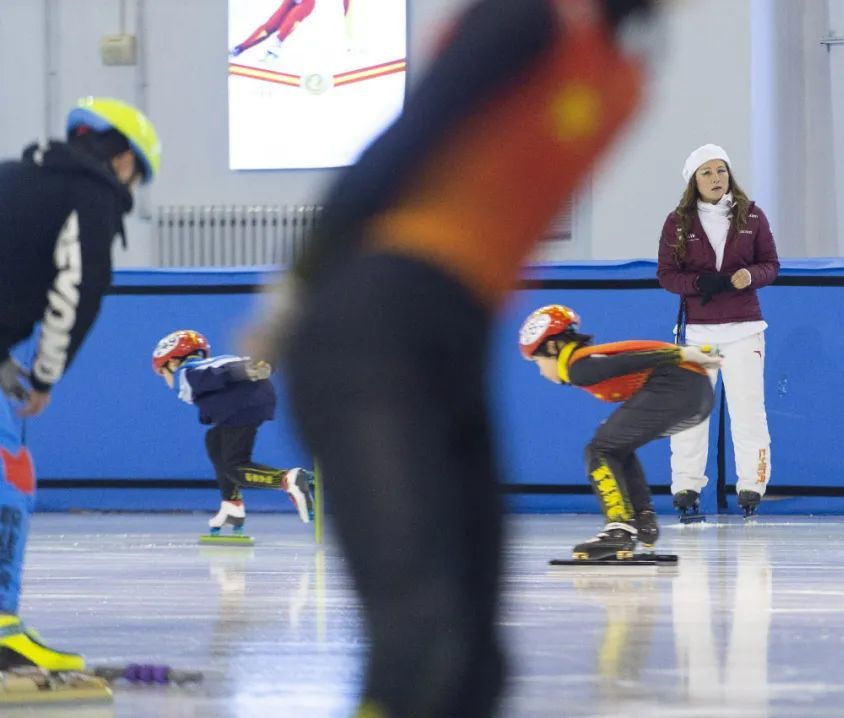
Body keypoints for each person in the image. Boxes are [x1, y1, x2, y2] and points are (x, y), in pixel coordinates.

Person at [249, 1, 664, 714]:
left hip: (454, 338)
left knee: (475, 662)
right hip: (369, 326)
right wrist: (298, 287)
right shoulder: (528, 20)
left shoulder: (623, 74)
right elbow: (408, 138)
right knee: (420, 639)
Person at [0, 96, 160, 671]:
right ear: (122, 162)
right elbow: (77, 290)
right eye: (137, 176)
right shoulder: (90, 196)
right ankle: (0, 632)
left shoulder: (14, 175)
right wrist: (44, 375)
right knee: (7, 475)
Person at [519, 305, 720, 559]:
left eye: (538, 362)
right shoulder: (588, 359)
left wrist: (681, 354)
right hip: (695, 392)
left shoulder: (578, 366)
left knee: (598, 449)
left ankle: (618, 529)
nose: (540, 371)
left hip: (677, 385)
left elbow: (629, 360)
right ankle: (641, 520)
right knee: (615, 445)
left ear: (552, 348)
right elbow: (631, 355)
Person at [656, 144, 779, 520]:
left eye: (720, 170)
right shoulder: (678, 222)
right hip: (697, 334)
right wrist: (698, 282)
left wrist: (750, 276)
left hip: (744, 329)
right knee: (690, 414)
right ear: (694, 180)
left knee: (748, 413)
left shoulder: (752, 215)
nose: (715, 178)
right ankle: (686, 487)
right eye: (706, 172)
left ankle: (751, 486)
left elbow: (771, 264)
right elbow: (666, 274)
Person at [151, 330, 315, 532]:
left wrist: (246, 370)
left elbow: (215, 376)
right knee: (215, 441)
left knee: (235, 468)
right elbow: (225, 374)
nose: (166, 380)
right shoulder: (216, 361)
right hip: (251, 399)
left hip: (239, 405)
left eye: (164, 372)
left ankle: (287, 480)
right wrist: (257, 366)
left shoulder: (189, 372)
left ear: (173, 362)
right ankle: (232, 506)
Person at [230, 0, 316, 62]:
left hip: (306, 3)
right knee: (270, 26)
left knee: (290, 21)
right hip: (291, 2)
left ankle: (274, 49)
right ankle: (240, 48)